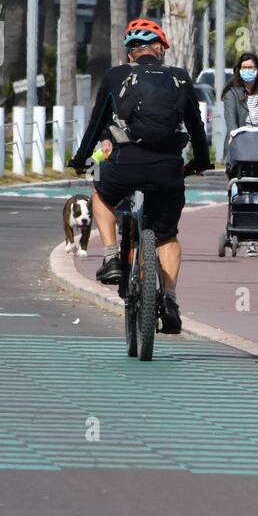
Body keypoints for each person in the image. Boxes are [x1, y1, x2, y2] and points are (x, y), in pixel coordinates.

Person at [69, 18, 211, 333]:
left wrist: (80, 159)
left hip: (125, 165)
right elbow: (197, 129)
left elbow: (96, 124)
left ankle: (109, 258)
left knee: (101, 194)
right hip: (168, 169)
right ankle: (170, 299)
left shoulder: (116, 75)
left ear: (131, 53)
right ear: (159, 50)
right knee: (167, 235)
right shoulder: (180, 79)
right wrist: (201, 162)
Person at [222, 52, 258, 155]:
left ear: (257, 70)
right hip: (241, 141)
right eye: (244, 67)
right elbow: (230, 116)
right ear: (239, 70)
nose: (247, 70)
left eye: (250, 67)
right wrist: (233, 133)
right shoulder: (232, 93)